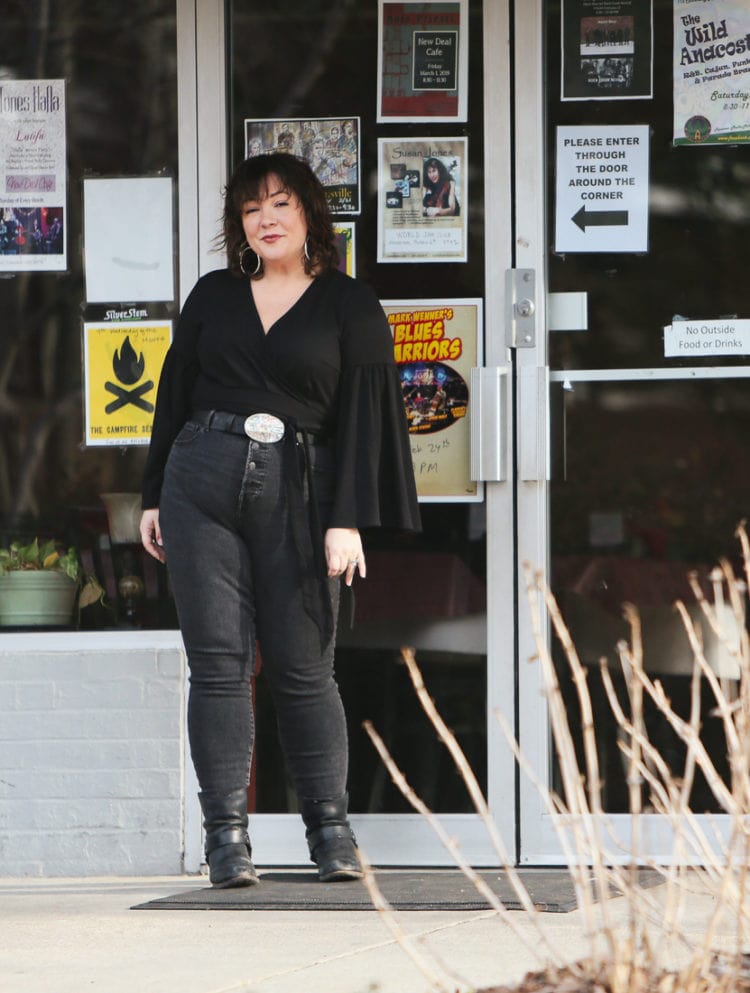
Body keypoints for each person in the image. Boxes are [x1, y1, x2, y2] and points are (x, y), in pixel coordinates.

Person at [139, 152, 420, 889]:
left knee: (303, 667)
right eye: (251, 208)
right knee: (219, 665)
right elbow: (173, 396)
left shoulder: (348, 304)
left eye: (280, 205)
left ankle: (331, 833)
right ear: (239, 222)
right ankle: (226, 840)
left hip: (303, 490)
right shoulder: (212, 296)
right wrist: (149, 496)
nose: (265, 219)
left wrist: (348, 517)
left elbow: (364, 418)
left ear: (309, 216)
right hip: (199, 480)